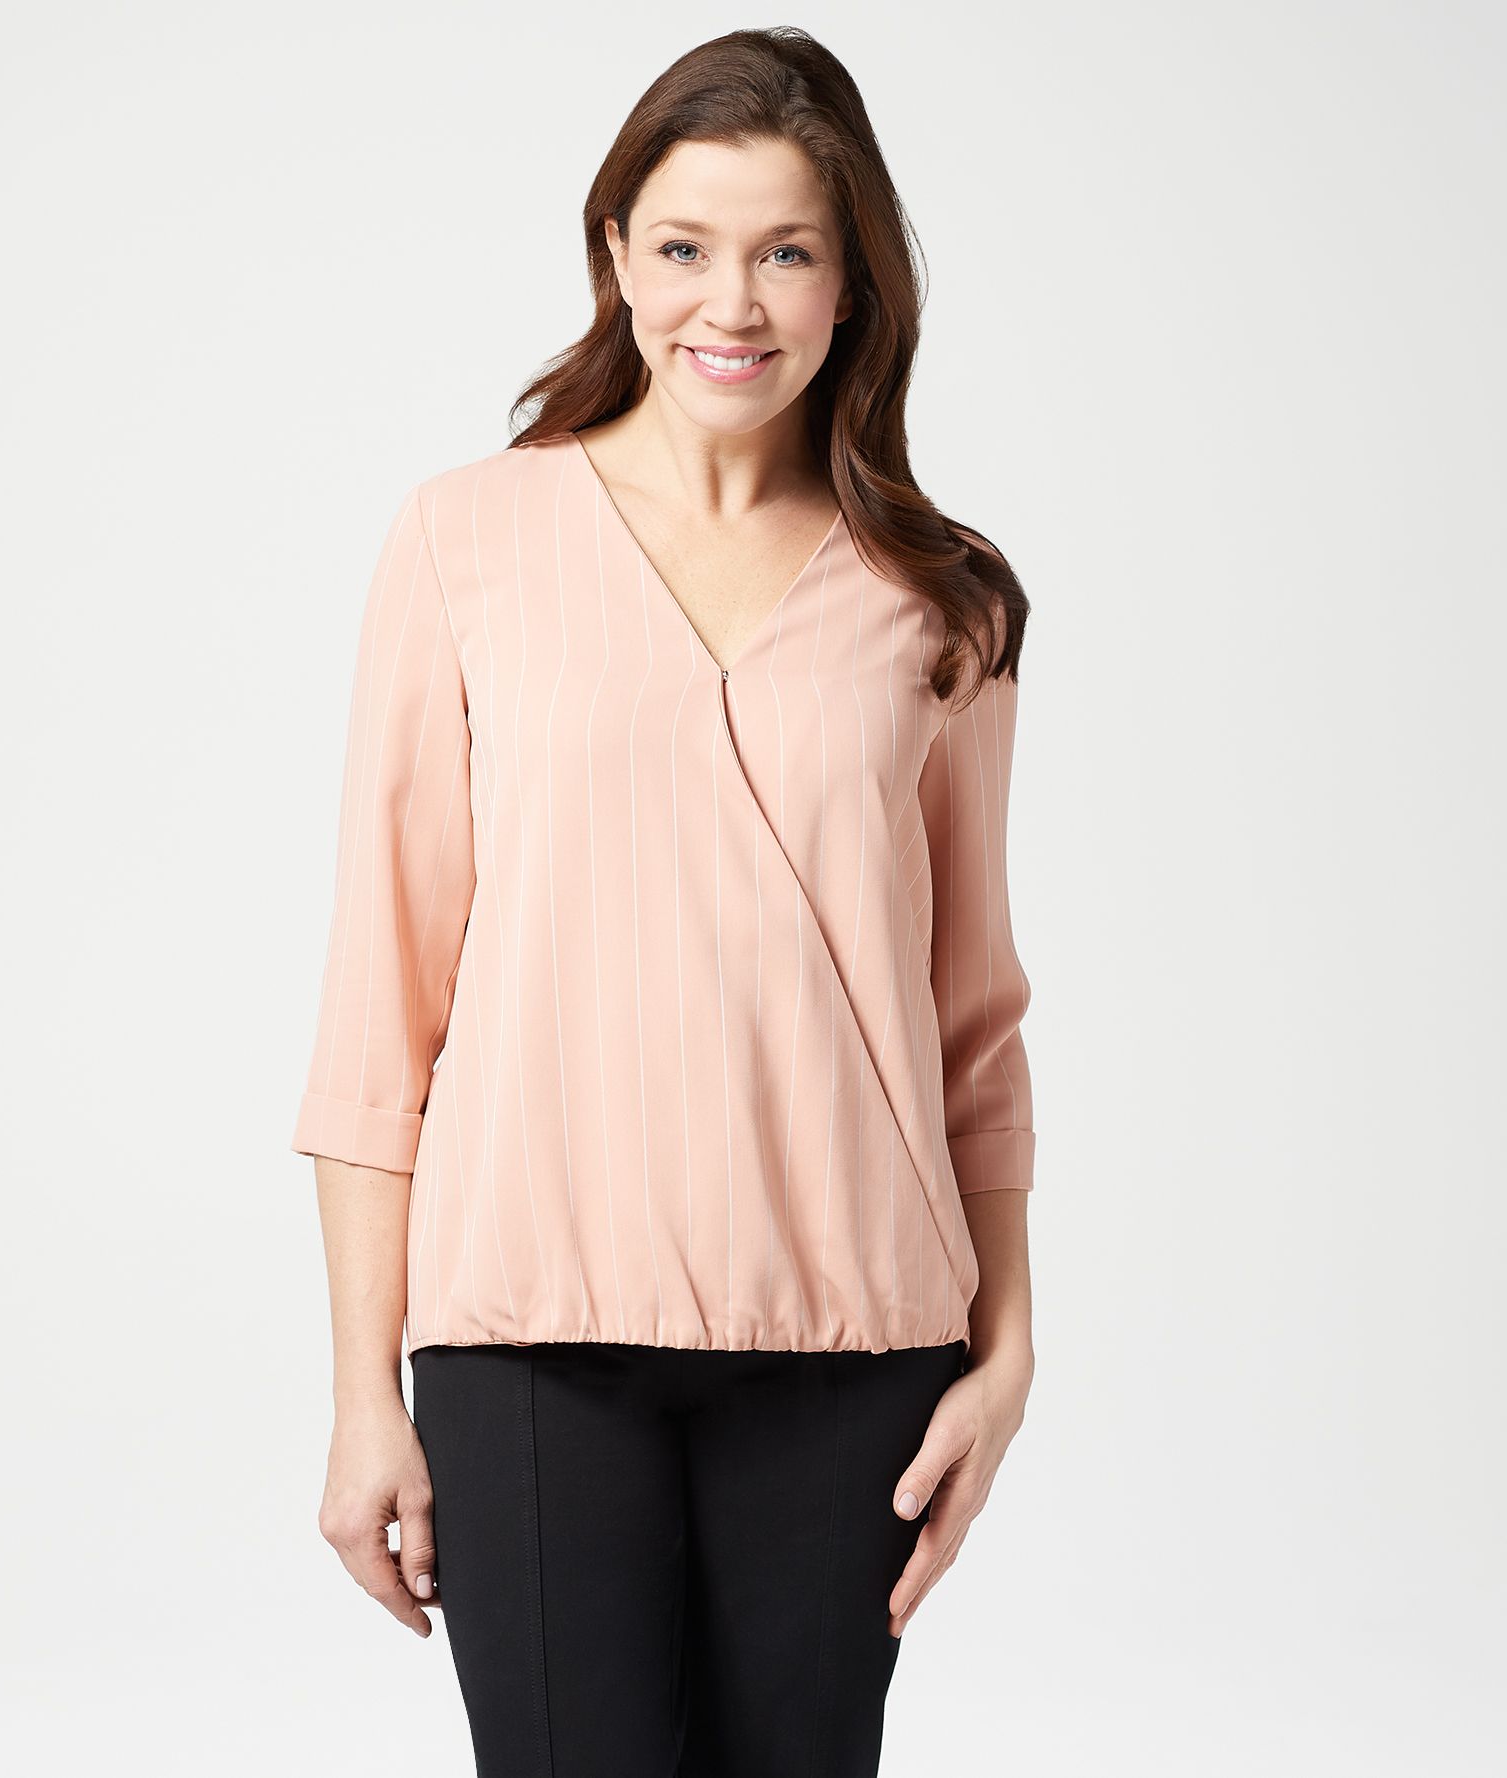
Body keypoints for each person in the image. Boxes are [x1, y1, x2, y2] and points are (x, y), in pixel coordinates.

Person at [292, 26, 1037, 1777]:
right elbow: (382, 1004)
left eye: (788, 251)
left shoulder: (940, 599)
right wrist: (359, 1392)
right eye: (688, 245)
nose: (734, 303)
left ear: (854, 283)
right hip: (528, 1340)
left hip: (855, 1337)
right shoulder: (465, 542)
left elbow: (973, 1015)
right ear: (616, 254)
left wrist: (1008, 1354)